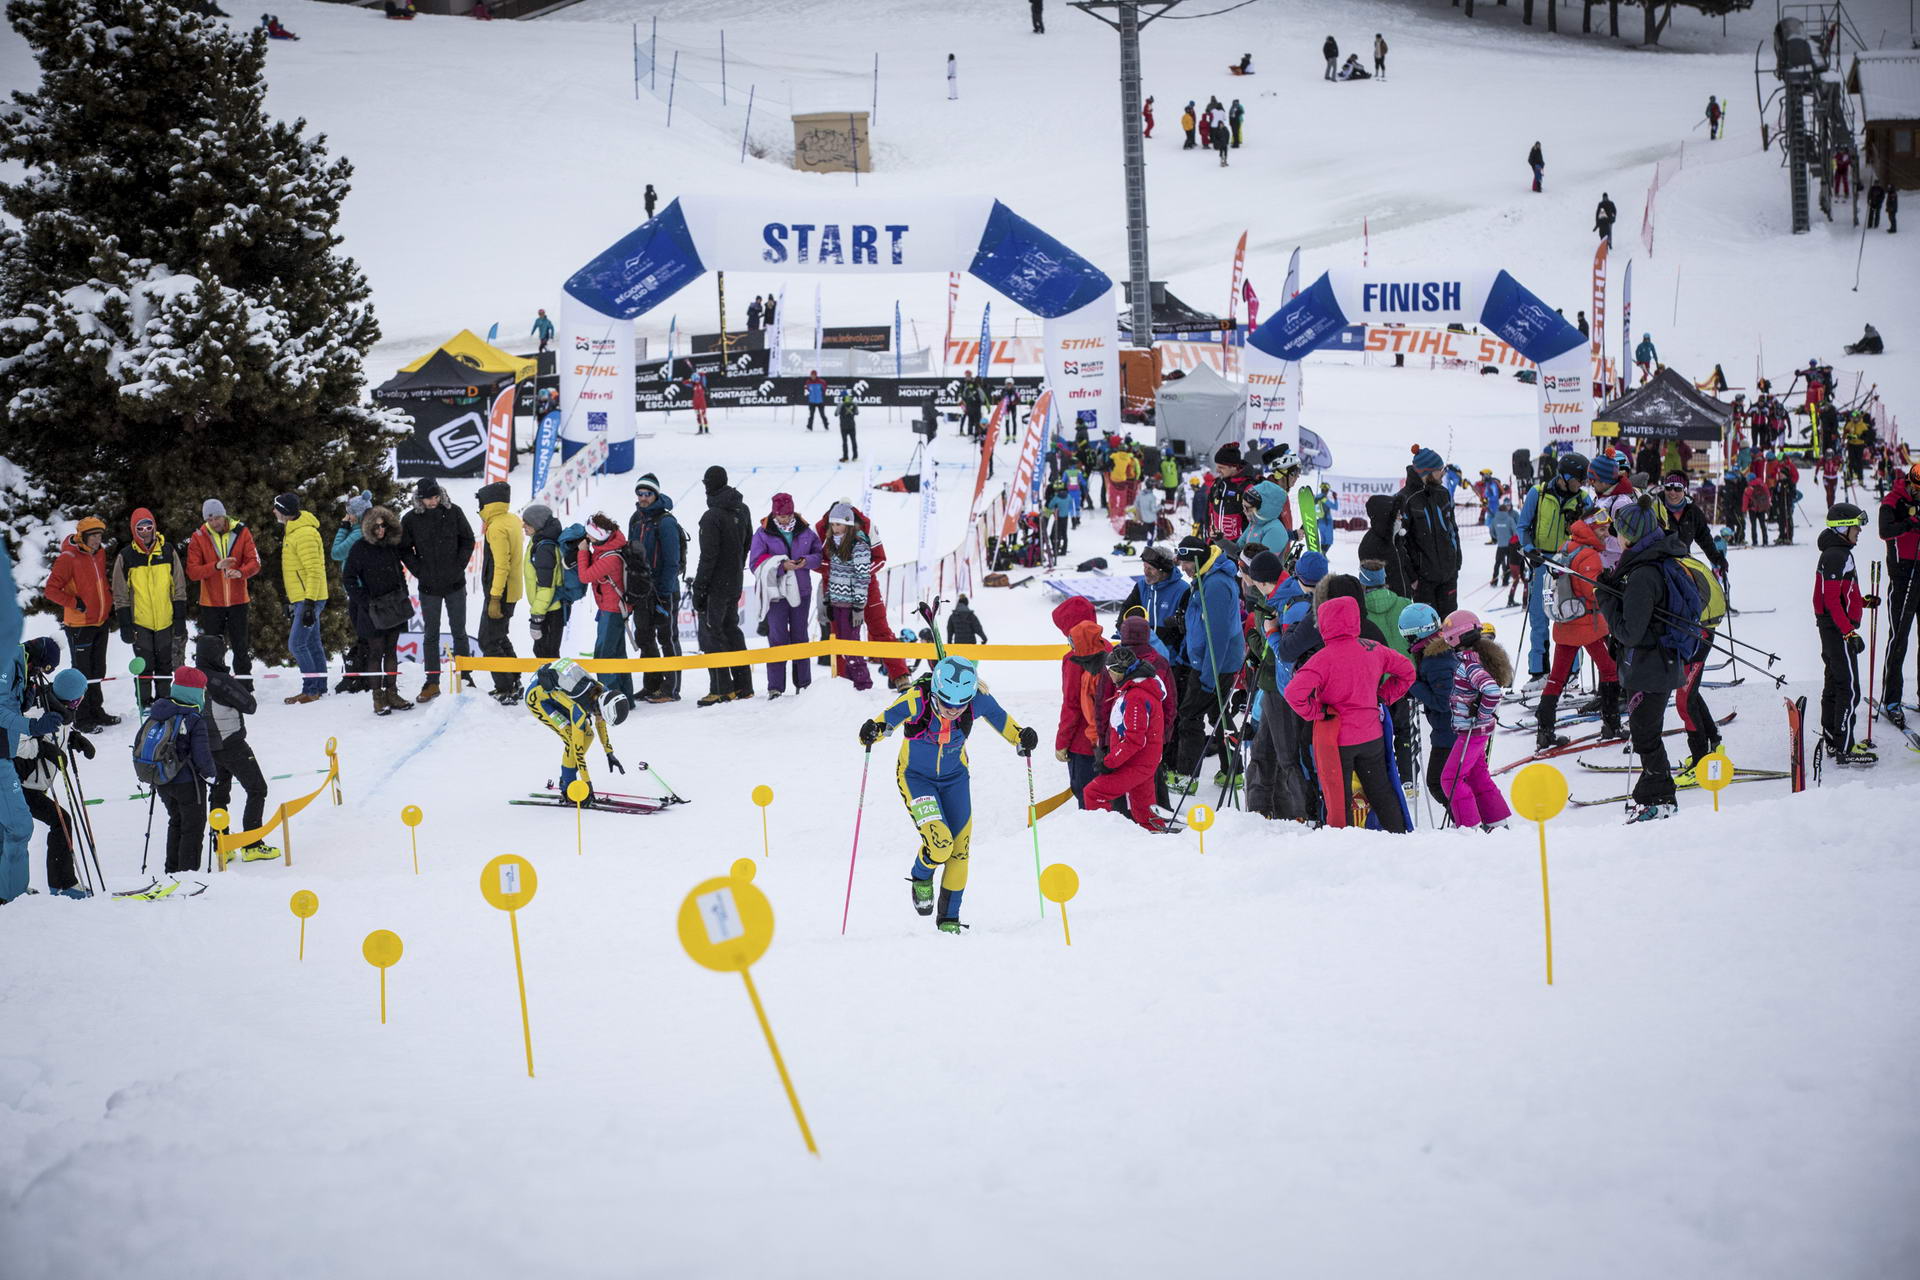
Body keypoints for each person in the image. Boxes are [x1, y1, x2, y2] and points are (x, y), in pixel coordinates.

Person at [857, 655, 1037, 933]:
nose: (954, 711)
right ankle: (921, 874)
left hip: (955, 779)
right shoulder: (916, 699)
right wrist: (871, 732)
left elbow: (1003, 721)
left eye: (960, 705)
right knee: (941, 844)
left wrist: (1022, 736)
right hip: (917, 779)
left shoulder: (977, 698)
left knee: (960, 850)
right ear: (936, 693)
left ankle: (949, 920)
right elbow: (884, 722)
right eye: (947, 704)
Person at [1595, 498, 1693, 820]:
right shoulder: (1655, 559)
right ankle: (1658, 793)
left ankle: (1659, 795)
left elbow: (1628, 632)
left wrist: (1605, 597)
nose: (1616, 538)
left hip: (1651, 667)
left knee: (1645, 735)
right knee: (1645, 733)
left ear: (1629, 536)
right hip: (1659, 663)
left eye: (1619, 533)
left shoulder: (1642, 574)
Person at [1283, 593, 1415, 831]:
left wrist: (1317, 711)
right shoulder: (1373, 648)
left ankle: (1341, 846)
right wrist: (1383, 696)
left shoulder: (1322, 659)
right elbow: (1407, 671)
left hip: (1337, 740)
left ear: (1323, 623)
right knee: (1381, 791)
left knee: (1338, 799)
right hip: (1371, 736)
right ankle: (1399, 837)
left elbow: (1293, 693)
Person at [1534, 508, 1622, 750]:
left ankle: (1545, 729)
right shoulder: (1590, 556)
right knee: (1610, 670)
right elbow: (1593, 595)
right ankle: (1612, 723)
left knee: (1557, 677)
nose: (1606, 534)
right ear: (1591, 528)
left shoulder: (1568, 546)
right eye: (1602, 529)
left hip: (1565, 622)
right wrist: (1610, 588)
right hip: (1588, 625)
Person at [1168, 538, 1246, 791]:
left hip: (1214, 664)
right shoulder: (1206, 577)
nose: (1183, 567)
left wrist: (1209, 676)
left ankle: (1186, 777)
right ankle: (1233, 771)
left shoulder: (1215, 585)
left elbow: (1219, 635)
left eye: (1187, 561)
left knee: (1189, 715)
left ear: (1199, 559)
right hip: (1209, 661)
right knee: (1219, 716)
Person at [193, 633, 276, 862]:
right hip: (231, 743)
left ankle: (222, 844)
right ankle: (252, 843)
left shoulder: (190, 678)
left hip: (206, 747)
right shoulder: (220, 680)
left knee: (219, 794)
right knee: (257, 789)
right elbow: (250, 705)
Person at [14, 665, 95, 896]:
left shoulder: (60, 708)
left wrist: (73, 739)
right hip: (18, 784)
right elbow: (16, 743)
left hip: (33, 785)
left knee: (18, 833)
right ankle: (63, 884)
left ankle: (16, 885)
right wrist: (43, 748)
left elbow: (56, 732)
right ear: (73, 699)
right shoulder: (37, 712)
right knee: (59, 822)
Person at [1431, 611, 1512, 831]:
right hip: (1474, 730)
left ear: (1455, 638)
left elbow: (1492, 691)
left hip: (1472, 732)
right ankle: (1497, 823)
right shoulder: (1475, 659)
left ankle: (1470, 828)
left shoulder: (1470, 665)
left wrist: (1481, 714)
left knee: (1450, 779)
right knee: (1478, 777)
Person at [400, 477, 475, 703]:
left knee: (459, 631)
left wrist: (458, 565)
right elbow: (404, 549)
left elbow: (468, 540)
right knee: (431, 634)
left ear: (440, 495)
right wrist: (420, 571)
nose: (432, 502)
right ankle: (432, 681)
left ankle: (465, 676)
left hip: (455, 584)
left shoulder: (454, 512)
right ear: (419, 499)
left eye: (435, 497)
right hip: (429, 586)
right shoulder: (411, 519)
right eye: (427, 498)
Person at [1814, 502, 1878, 766]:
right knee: (1849, 689)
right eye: (1856, 527)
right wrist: (1849, 632)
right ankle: (1845, 745)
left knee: (1835, 684)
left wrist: (1862, 602)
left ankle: (1832, 736)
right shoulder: (1836, 555)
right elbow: (1830, 600)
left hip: (1833, 629)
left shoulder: (1838, 552)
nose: (1859, 532)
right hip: (1837, 630)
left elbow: (1841, 594)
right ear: (1843, 528)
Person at [40, 516, 117, 731]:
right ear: (82, 536)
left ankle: (96, 711)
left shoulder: (99, 553)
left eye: (99, 535)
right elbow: (51, 590)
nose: (97, 540)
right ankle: (82, 719)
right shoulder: (68, 558)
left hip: (100, 621)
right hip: (79, 625)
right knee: (82, 673)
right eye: (93, 536)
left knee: (98, 670)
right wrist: (74, 603)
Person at [1083, 645, 1170, 831]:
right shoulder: (1134, 688)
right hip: (1142, 761)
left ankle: (1106, 835)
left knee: (1094, 792)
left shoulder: (1137, 696)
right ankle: (1158, 842)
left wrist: (1109, 762)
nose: (1109, 676)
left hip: (1137, 763)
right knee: (1143, 811)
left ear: (1120, 671)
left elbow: (1134, 739)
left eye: (1110, 671)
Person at [141, 665, 218, 876]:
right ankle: (187, 875)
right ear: (196, 693)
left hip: (162, 779)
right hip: (188, 782)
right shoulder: (193, 718)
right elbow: (202, 754)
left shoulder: (158, 712)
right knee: (193, 827)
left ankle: (171, 871)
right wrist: (212, 775)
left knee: (176, 821)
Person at [111, 508, 188, 713]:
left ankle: (164, 700)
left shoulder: (168, 551)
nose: (145, 531)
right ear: (134, 531)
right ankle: (144, 703)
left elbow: (178, 586)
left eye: (148, 526)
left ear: (154, 527)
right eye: (140, 528)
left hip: (165, 619)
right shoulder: (126, 556)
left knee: (164, 663)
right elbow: (120, 593)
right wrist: (126, 624)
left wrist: (179, 617)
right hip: (140, 621)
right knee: (144, 665)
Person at [747, 495, 822, 699]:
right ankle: (775, 687)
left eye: (788, 515)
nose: (784, 520)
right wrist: (780, 566)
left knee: (800, 637)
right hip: (775, 594)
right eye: (780, 516)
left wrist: (805, 561)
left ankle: (804, 684)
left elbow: (819, 555)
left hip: (802, 591)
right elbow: (755, 563)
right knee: (777, 638)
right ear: (774, 513)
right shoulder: (762, 533)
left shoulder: (806, 530)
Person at [342, 505, 414, 715]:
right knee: (375, 652)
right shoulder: (359, 548)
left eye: (384, 526)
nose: (381, 530)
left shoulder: (390, 545)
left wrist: (403, 593)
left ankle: (392, 693)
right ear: (368, 527)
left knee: (391, 651)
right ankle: (377, 698)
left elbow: (399, 570)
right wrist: (365, 601)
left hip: (394, 606)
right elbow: (348, 578)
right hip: (372, 610)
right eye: (376, 527)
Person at [693, 465, 754, 707]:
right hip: (735, 580)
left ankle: (720, 688)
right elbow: (747, 543)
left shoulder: (712, 517)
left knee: (712, 633)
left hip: (717, 584)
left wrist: (699, 588)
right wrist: (736, 566)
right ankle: (744, 685)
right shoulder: (743, 509)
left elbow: (708, 557)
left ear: (709, 485)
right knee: (732, 630)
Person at [525, 658, 625, 804]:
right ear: (599, 709)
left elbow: (600, 724)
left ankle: (567, 773)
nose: (601, 721)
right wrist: (587, 784)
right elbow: (578, 750)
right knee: (572, 739)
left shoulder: (603, 692)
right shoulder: (579, 709)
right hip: (538, 700)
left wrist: (609, 753)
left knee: (588, 735)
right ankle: (567, 785)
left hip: (557, 697)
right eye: (602, 717)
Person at [185, 498, 261, 678]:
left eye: (217, 518)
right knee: (213, 649)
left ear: (224, 515)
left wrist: (240, 573)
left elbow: (255, 562)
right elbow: (193, 571)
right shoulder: (199, 537)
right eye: (209, 520)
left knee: (240, 646)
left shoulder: (242, 532)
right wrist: (216, 566)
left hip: (238, 600)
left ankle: (245, 686)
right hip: (211, 603)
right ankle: (216, 687)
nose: (214, 523)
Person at [628, 475, 685, 704]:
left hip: (664, 590)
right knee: (644, 637)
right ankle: (651, 684)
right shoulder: (636, 519)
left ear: (656, 495)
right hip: (642, 590)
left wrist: (663, 592)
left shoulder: (666, 522)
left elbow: (672, 561)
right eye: (640, 494)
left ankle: (670, 688)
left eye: (648, 494)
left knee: (667, 637)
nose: (643, 498)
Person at [1052, 596, 1114, 803]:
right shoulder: (1109, 648)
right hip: (1109, 738)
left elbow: (1072, 705)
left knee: (1086, 793)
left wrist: (1062, 742)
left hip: (1083, 743)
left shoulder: (1073, 659)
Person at [576, 513, 638, 715]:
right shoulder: (610, 547)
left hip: (611, 611)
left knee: (604, 655)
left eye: (590, 536)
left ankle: (611, 700)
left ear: (599, 536)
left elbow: (585, 576)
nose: (588, 539)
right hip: (614, 609)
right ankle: (625, 697)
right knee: (617, 654)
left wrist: (583, 552)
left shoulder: (610, 557)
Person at [1398, 604, 1457, 814]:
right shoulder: (1435, 652)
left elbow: (1442, 701)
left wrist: (1412, 683)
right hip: (1448, 729)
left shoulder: (1436, 659)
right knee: (1445, 782)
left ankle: (1464, 817)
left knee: (1437, 782)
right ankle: (1464, 817)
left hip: (1450, 730)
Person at [273, 493, 329, 704]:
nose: (274, 512)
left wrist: (308, 604)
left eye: (276, 508)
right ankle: (319, 686)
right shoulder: (293, 531)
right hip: (304, 597)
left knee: (297, 644)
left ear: (285, 512)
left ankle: (311, 689)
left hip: (310, 598)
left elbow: (314, 571)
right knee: (313, 642)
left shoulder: (303, 534)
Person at [1877, 463, 1920, 730]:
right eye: (1917, 489)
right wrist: (1910, 522)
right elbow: (1885, 531)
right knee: (1899, 638)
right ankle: (1891, 700)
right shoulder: (1893, 500)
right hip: (1903, 574)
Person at [475, 481, 525, 706]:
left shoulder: (495, 528)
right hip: (511, 590)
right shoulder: (512, 519)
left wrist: (494, 598)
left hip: (500, 592)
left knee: (488, 641)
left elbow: (500, 565)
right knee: (499, 636)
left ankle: (505, 687)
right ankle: (514, 680)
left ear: (489, 504)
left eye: (481, 503)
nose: (479, 508)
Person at [1397, 447, 1462, 615]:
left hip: (1448, 576)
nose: (1442, 474)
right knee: (1429, 634)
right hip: (1423, 582)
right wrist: (1413, 578)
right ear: (1428, 472)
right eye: (1439, 470)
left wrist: (1456, 562)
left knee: (1450, 626)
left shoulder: (1443, 493)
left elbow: (1452, 529)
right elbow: (1399, 542)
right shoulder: (1405, 499)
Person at [821, 504, 875, 692]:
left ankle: (863, 683)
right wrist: (828, 599)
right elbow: (832, 574)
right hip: (837, 601)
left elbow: (863, 578)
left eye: (839, 524)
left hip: (851, 603)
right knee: (843, 645)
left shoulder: (858, 545)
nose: (835, 528)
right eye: (833, 524)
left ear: (848, 524)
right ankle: (851, 683)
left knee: (851, 645)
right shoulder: (833, 543)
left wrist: (859, 606)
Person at [331, 490, 373, 694]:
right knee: (362, 631)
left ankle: (362, 675)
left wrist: (343, 526)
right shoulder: (360, 529)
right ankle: (361, 673)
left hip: (358, 588)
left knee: (363, 631)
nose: (347, 515)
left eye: (350, 513)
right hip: (359, 588)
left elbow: (336, 552)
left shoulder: (357, 532)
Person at [836, 386, 859, 461]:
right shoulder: (854, 403)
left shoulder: (841, 404)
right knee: (853, 441)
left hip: (843, 426)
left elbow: (836, 414)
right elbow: (857, 413)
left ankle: (845, 457)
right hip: (852, 425)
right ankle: (855, 456)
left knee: (844, 442)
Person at [687, 370, 710, 434]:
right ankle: (700, 429)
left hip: (702, 403)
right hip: (695, 403)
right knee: (698, 416)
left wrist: (699, 373)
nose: (696, 380)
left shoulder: (702, 384)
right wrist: (690, 379)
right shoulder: (692, 385)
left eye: (697, 379)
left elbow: (703, 375)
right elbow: (684, 382)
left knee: (704, 416)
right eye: (695, 379)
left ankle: (706, 429)